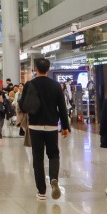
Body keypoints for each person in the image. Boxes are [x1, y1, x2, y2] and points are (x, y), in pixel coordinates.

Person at [20, 58, 71, 201]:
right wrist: (65, 127)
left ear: (35, 69)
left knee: (38, 158)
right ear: (48, 69)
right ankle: (53, 178)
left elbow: (23, 106)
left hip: (35, 126)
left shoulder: (30, 84)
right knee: (53, 154)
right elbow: (62, 107)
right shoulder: (55, 85)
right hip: (51, 126)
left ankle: (41, 191)